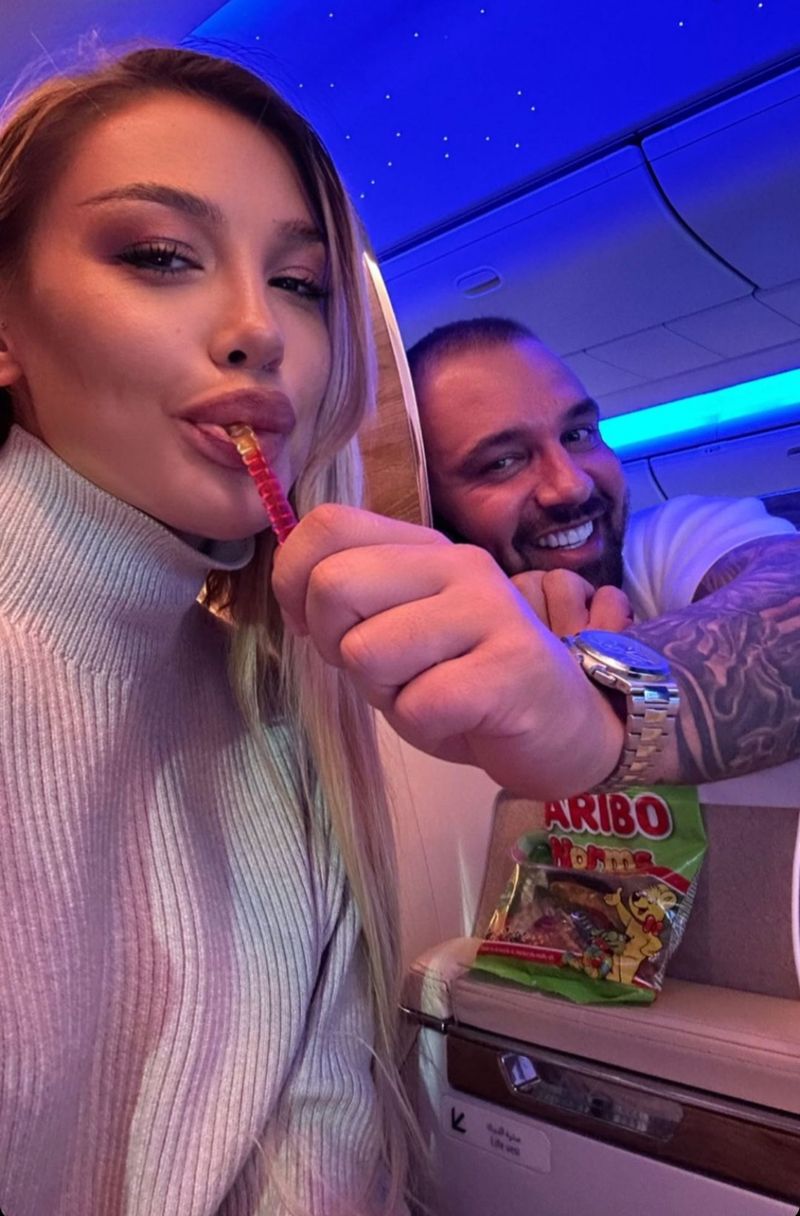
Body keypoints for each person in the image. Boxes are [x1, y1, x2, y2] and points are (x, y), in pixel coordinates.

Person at [0, 46, 419, 1216]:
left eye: (300, 283)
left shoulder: (285, 719)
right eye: (158, 255)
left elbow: (320, 1152)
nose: (255, 328)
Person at [402, 316, 800, 786]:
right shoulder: (406, 685)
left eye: (578, 435)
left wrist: (594, 703)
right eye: (502, 462)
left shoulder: (671, 537)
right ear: (431, 511)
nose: (572, 485)